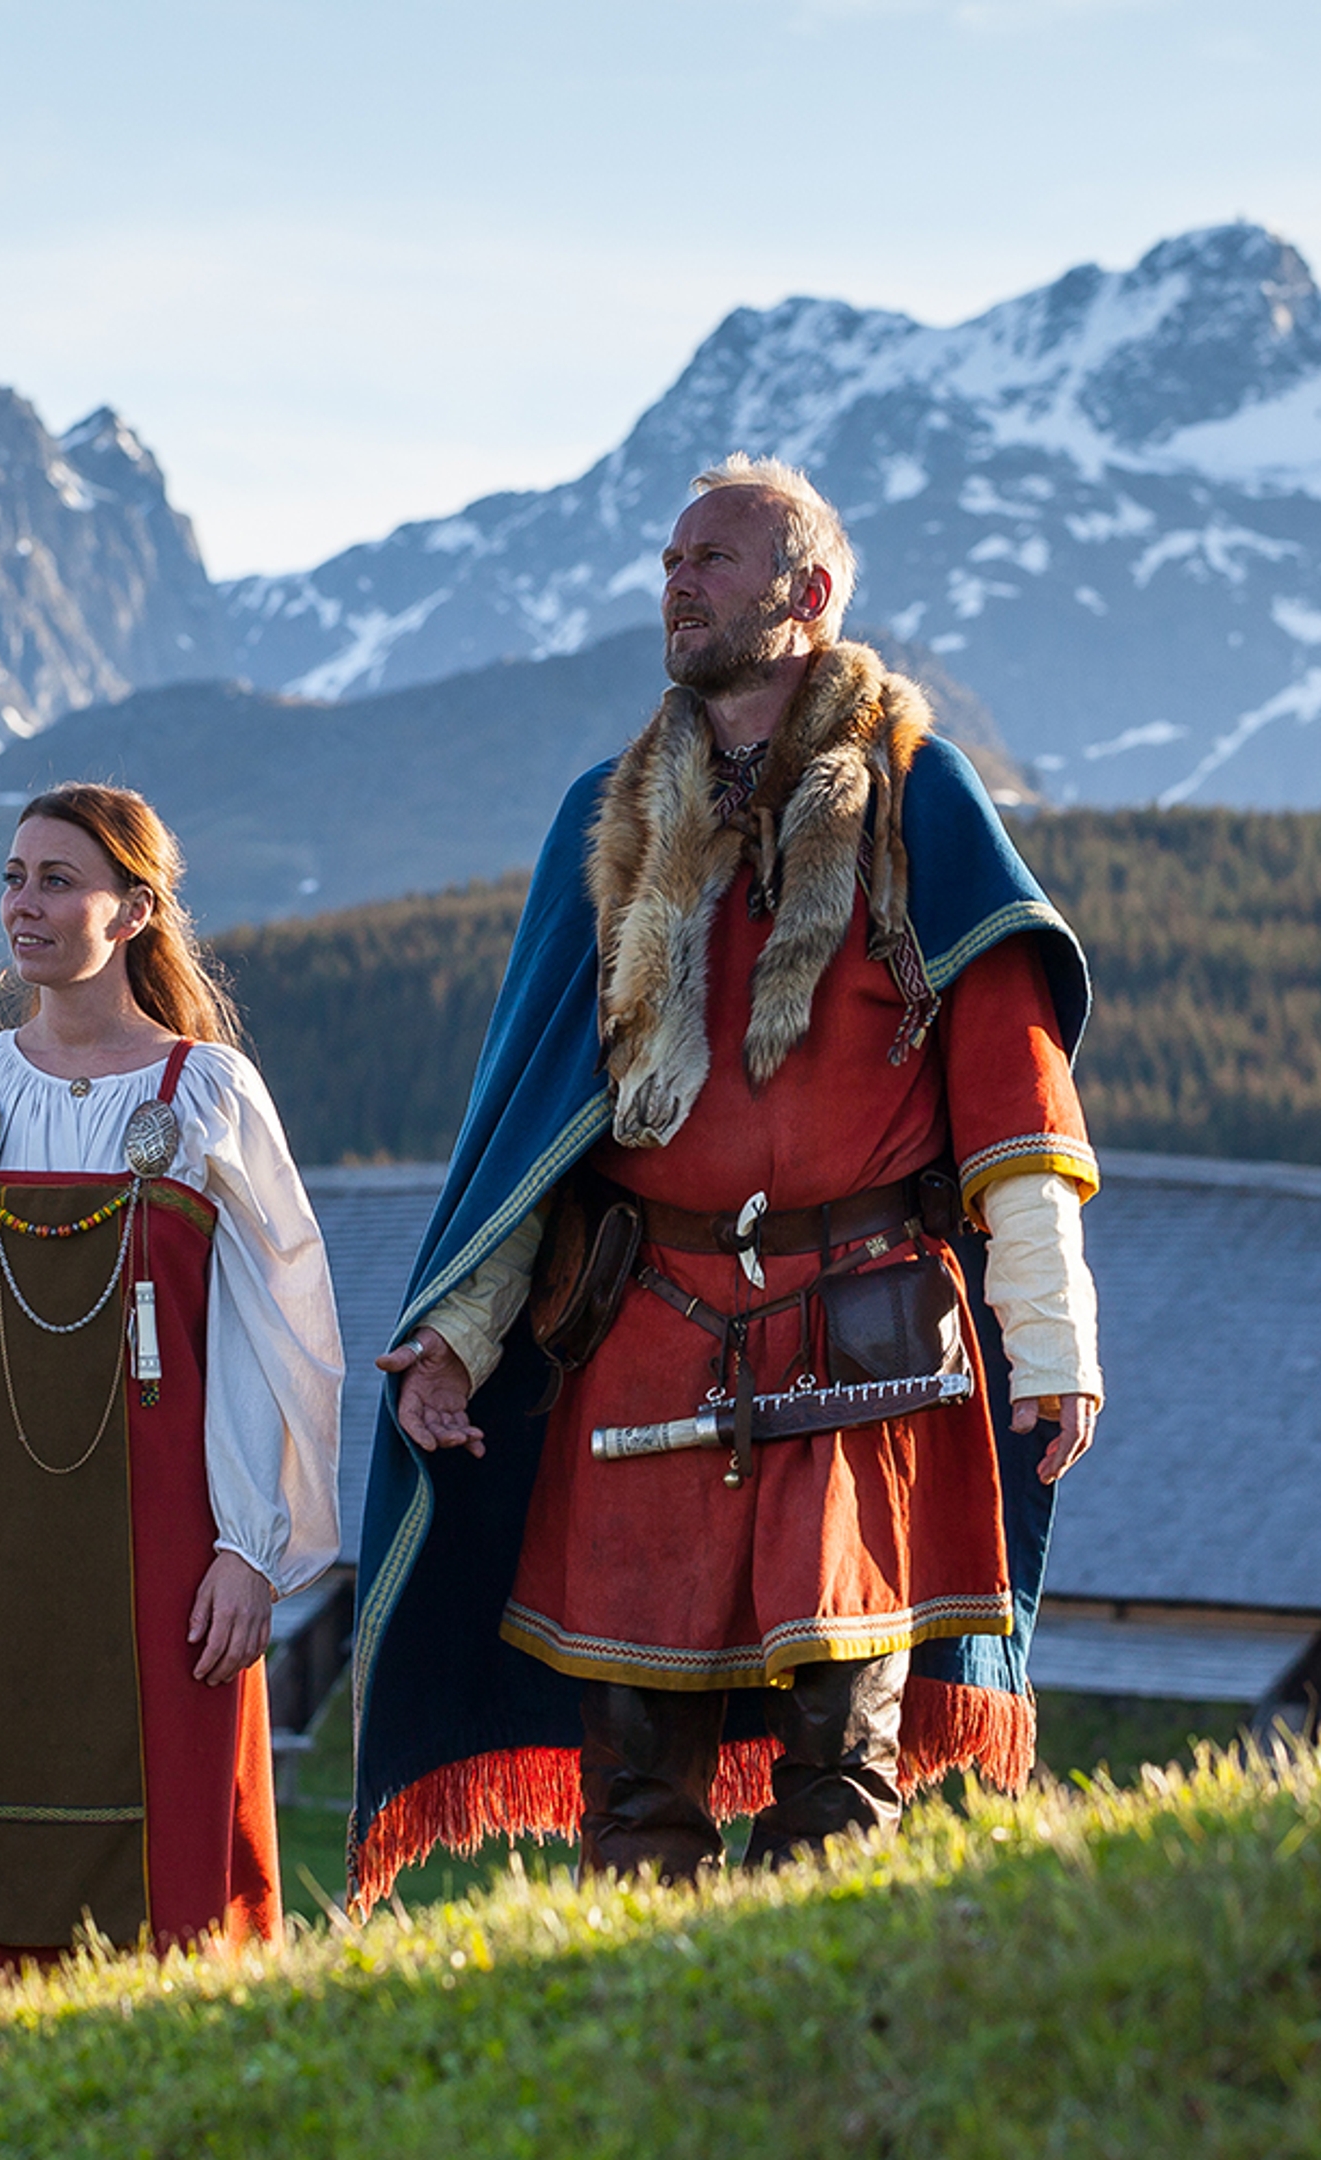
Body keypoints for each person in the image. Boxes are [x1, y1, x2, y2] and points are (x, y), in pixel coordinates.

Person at [349, 456, 1101, 1891]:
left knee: (840, 1756)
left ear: (805, 596)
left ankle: (815, 2032)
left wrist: (1052, 1338)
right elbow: (542, 1114)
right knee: (635, 1764)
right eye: (671, 561)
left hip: (864, 1333)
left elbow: (1016, 1096)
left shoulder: (915, 796)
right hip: (645, 1326)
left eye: (713, 560)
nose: (678, 584)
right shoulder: (612, 812)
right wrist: (455, 1338)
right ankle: (638, 2036)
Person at [0, 783, 345, 2013]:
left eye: (58, 879)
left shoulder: (208, 1095)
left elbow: (283, 1336)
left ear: (135, 910)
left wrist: (252, 1552)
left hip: (166, 1545)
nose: (25, 904)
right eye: (12, 877)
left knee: (173, 1897)